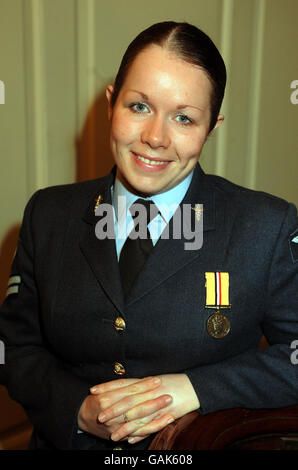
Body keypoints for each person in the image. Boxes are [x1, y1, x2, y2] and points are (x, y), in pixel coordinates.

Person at [0, 21, 297, 451]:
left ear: (212, 127)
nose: (155, 138)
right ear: (110, 105)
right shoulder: (48, 214)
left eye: (183, 118)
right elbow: (15, 347)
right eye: (138, 107)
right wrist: (78, 410)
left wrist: (196, 388)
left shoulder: (266, 227)